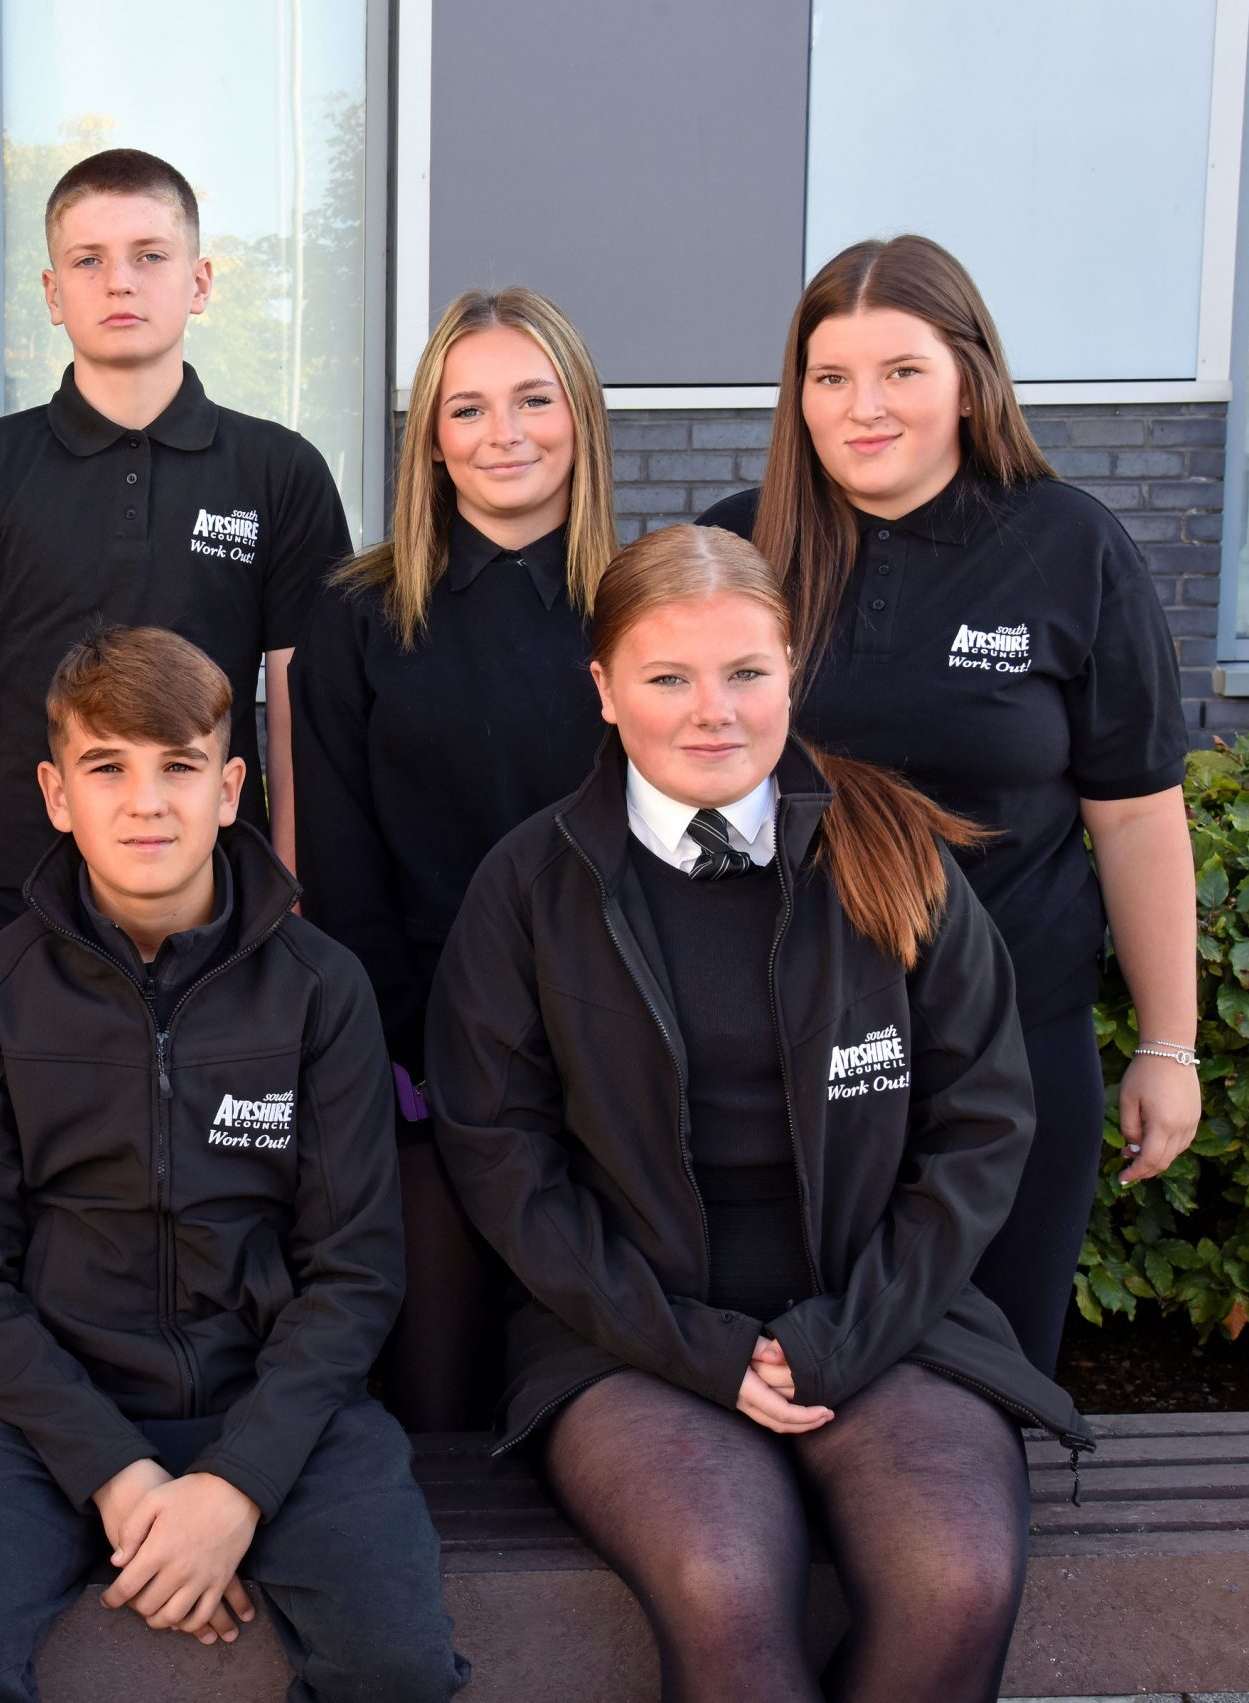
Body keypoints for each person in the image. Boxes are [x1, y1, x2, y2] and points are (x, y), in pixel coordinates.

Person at [427, 522, 1090, 1703]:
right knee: (724, 1581)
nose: (710, 710)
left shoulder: (894, 852)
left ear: (792, 673)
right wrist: (704, 1346)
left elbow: (980, 1128)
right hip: (624, 1335)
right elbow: (501, 1161)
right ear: (604, 690)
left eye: (746, 672)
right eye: (667, 676)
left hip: (887, 1318)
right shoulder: (526, 886)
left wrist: (839, 1332)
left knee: (958, 1575)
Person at [0, 627, 466, 1703]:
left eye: (179, 766)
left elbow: (354, 1272)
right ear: (56, 794)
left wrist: (234, 1485)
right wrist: (119, 1476)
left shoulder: (318, 987)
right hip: (39, 1413)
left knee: (396, 1663)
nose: (146, 803)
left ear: (231, 786)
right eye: (108, 767)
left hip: (281, 1397)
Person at [698, 234, 1199, 1373]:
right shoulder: (734, 547)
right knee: (804, 1393)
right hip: (779, 1048)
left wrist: (1170, 1042)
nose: (861, 407)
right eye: (829, 378)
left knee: (990, 1386)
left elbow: (1134, 813)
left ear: (967, 378)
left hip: (1012, 1042)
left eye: (901, 372)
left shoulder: (1071, 546)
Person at [0, 147, 352, 1011]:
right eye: (89, 260)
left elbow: (303, 729)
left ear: (199, 281)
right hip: (20, 903)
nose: (121, 282)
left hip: (222, 904)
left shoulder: (280, 472)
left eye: (151, 255)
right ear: (50, 291)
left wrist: (287, 910)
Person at [290, 286, 619, 1431]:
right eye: (467, 408)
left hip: (621, 1054)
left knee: (602, 1381)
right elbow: (337, 858)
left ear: (580, 412)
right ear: (430, 436)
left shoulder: (642, 607)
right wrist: (400, 1060)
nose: (505, 433)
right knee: (438, 1392)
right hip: (426, 1060)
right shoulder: (358, 615)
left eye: (533, 399)